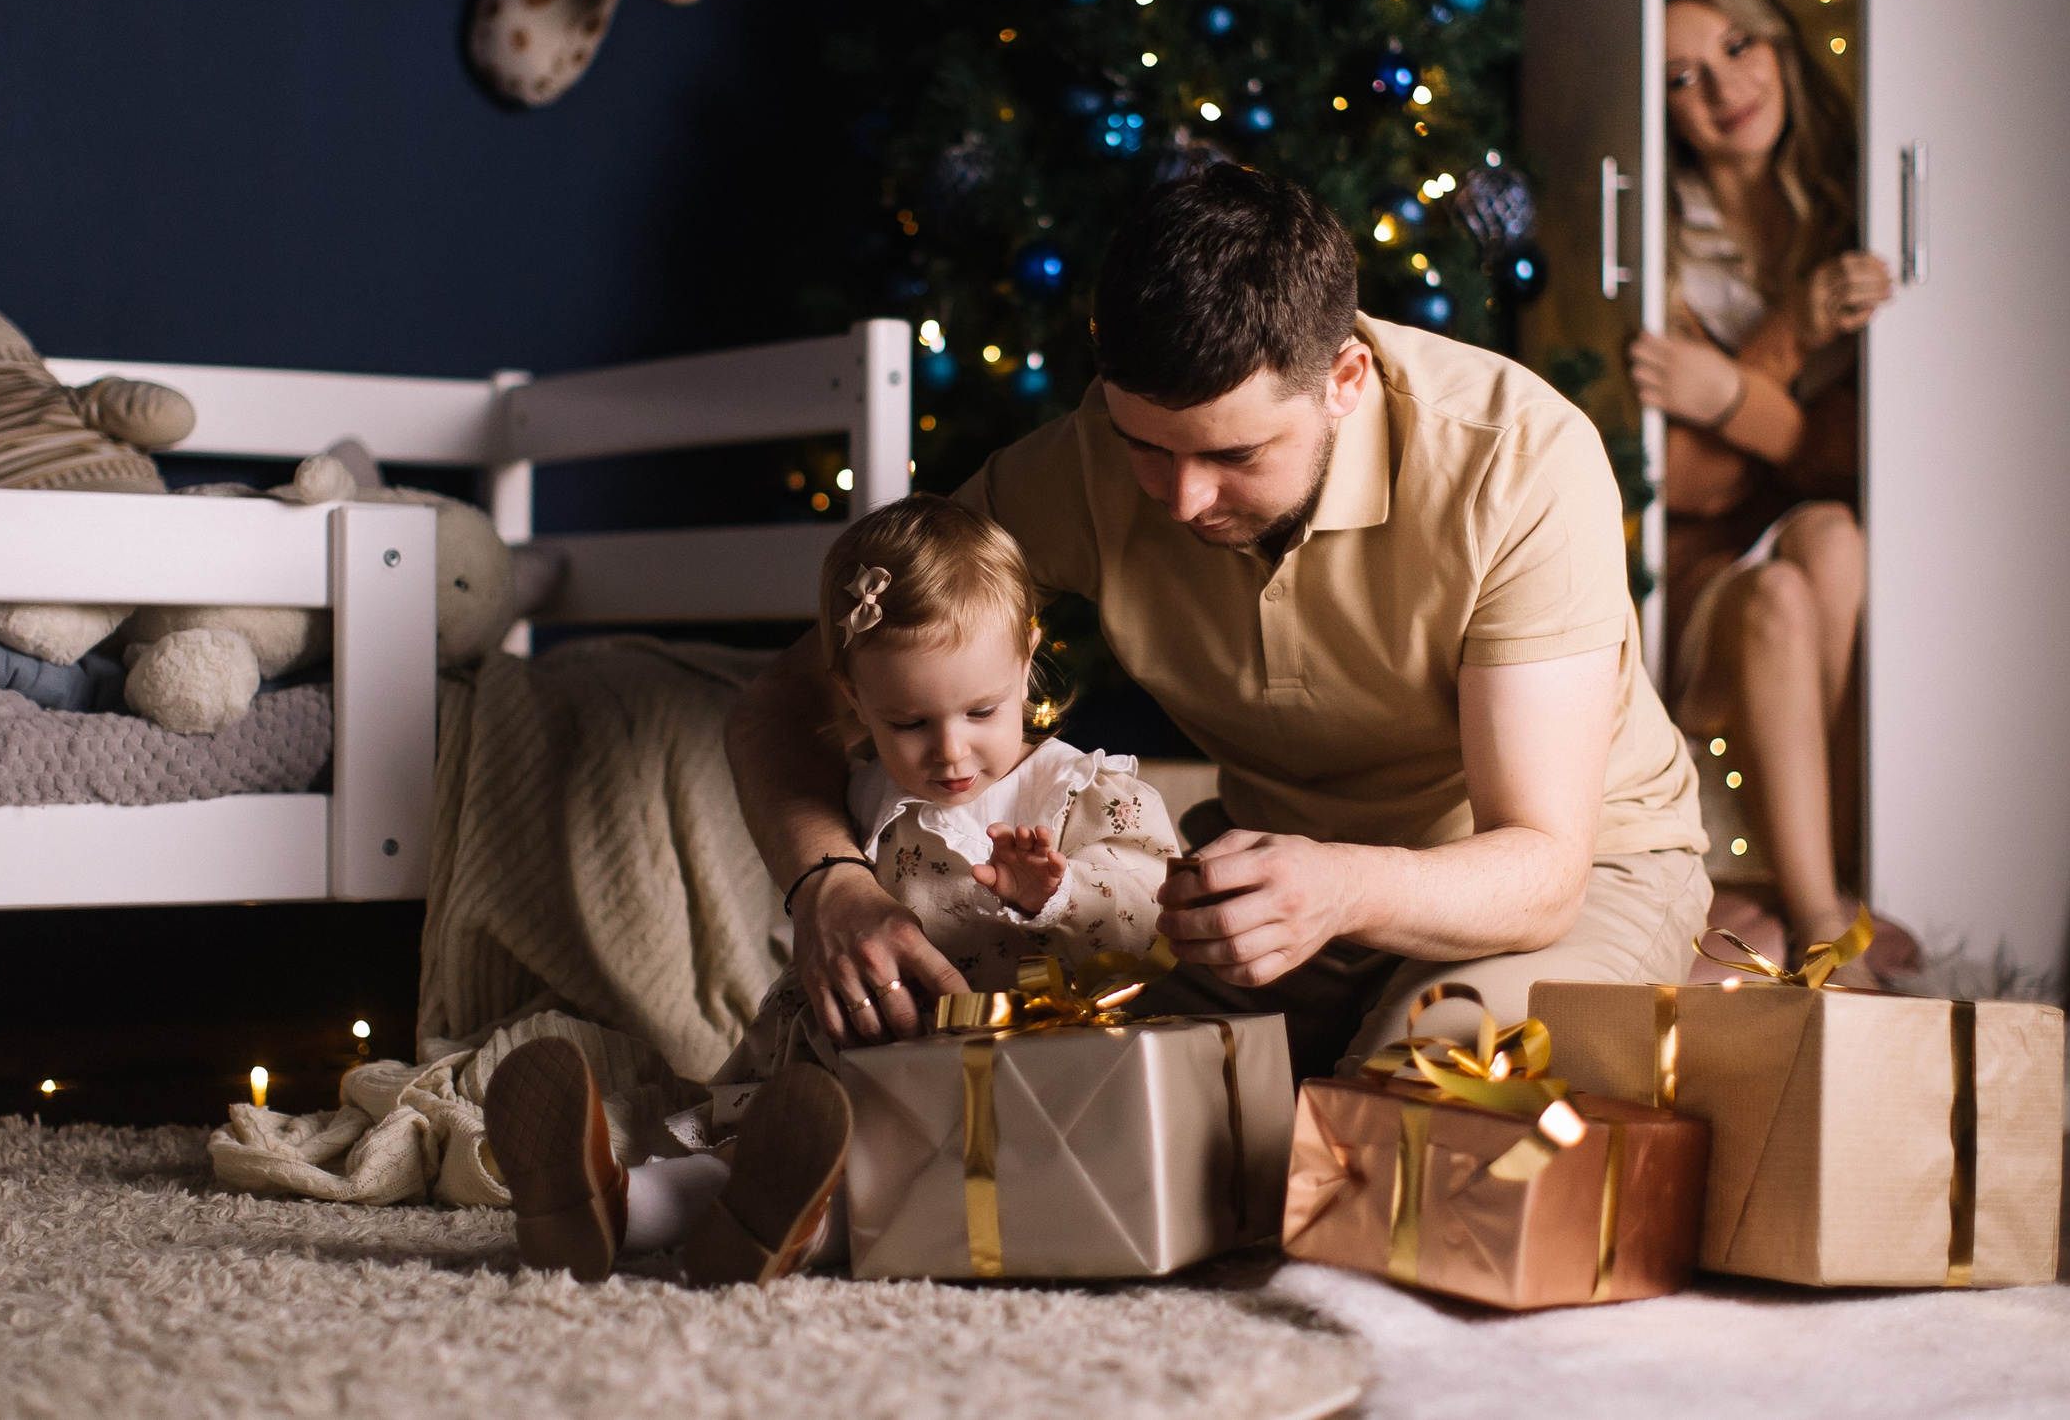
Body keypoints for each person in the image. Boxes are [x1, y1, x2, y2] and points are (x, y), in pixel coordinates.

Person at [731, 164, 1709, 1084]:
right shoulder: (1082, 467)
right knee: (1053, 1094)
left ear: (1346, 379)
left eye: (1234, 454)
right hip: (1263, 892)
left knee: (1417, 1129)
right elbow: (786, 699)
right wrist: (828, 882)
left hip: (1562, 881)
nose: (1182, 496)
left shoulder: (1516, 462)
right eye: (1144, 446)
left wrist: (1339, 887)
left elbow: (1541, 867)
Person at [484, 494, 1179, 1285]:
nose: (949, 751)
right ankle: (608, 1206)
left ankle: (778, 1232)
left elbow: (1151, 915)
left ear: (1028, 657)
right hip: (858, 1060)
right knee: (774, 1148)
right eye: (908, 722)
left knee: (884, 1179)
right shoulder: (864, 799)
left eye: (982, 710)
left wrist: (1056, 894)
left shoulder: (1085, 792)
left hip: (1016, 1075)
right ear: (852, 696)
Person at [1624, 0, 1915, 980]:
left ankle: (1825, 877)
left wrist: (1728, 397)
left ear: (1777, 44)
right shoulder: (1657, 247)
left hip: (1811, 546)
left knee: (1834, 539)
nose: (1722, 88)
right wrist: (1789, 341)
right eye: (1679, 76)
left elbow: (1852, 459)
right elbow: (1694, 488)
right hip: (1706, 596)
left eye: (1735, 48)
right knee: (1782, 594)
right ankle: (1824, 909)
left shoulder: (1851, 215)